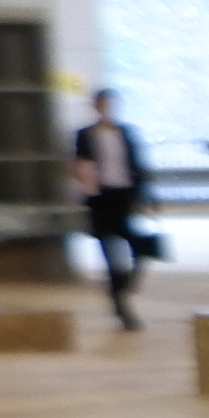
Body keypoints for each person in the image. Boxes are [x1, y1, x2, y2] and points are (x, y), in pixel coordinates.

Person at [70, 89, 153, 331]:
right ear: (95, 107)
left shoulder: (126, 132)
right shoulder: (85, 135)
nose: (107, 109)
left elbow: (137, 165)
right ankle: (121, 305)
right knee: (111, 253)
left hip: (123, 196)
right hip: (100, 198)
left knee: (139, 246)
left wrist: (145, 196)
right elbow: (79, 165)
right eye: (102, 105)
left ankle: (123, 285)